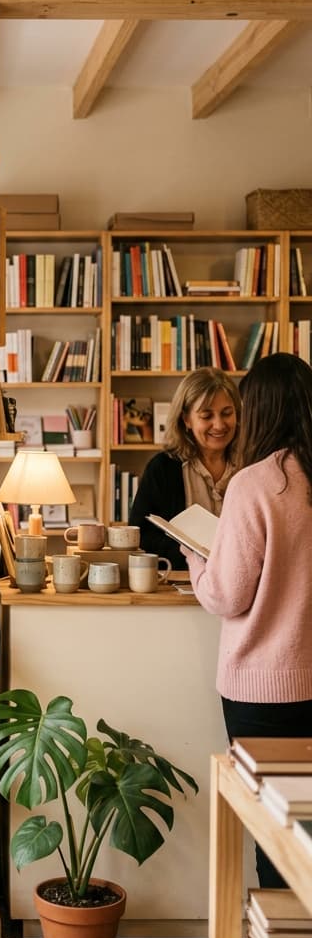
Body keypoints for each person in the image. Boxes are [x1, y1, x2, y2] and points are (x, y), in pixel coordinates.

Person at [183, 353, 312, 887]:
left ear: (256, 410)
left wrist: (196, 555)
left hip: (263, 688)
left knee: (274, 828)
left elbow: (227, 595)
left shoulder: (256, 483)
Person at [128, 367, 241, 569]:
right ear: (186, 419)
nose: (219, 425)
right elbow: (141, 535)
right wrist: (195, 556)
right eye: (207, 416)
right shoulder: (162, 468)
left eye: (227, 413)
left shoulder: (250, 466)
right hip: (182, 584)